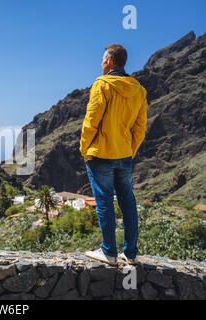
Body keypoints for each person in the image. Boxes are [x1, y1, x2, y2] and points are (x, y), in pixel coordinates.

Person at [80, 44, 148, 266]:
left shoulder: (102, 84)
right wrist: (130, 150)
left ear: (109, 61)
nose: (101, 64)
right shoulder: (138, 90)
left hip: (101, 155)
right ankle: (131, 253)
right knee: (128, 202)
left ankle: (109, 252)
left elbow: (91, 121)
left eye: (102, 60)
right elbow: (140, 128)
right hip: (124, 156)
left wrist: (84, 149)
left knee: (104, 202)